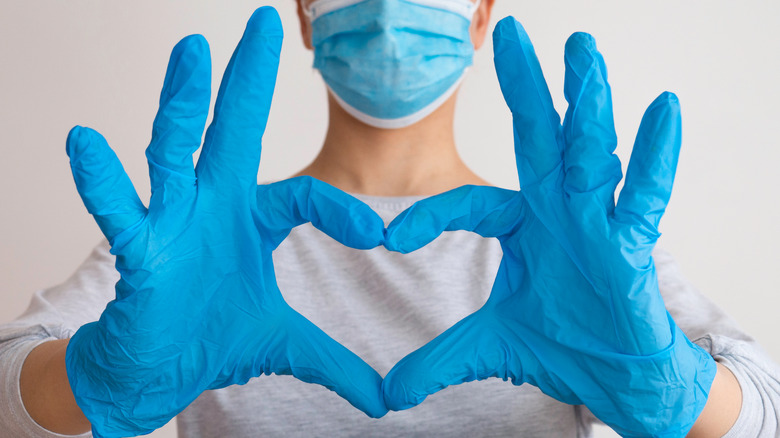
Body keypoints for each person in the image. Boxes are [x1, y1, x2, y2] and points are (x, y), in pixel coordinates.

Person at [1, 0, 778, 437]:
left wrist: (675, 390)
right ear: (307, 12)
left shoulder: (566, 255)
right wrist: (87, 378)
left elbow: (764, 411)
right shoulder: (203, 245)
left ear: (480, 13)